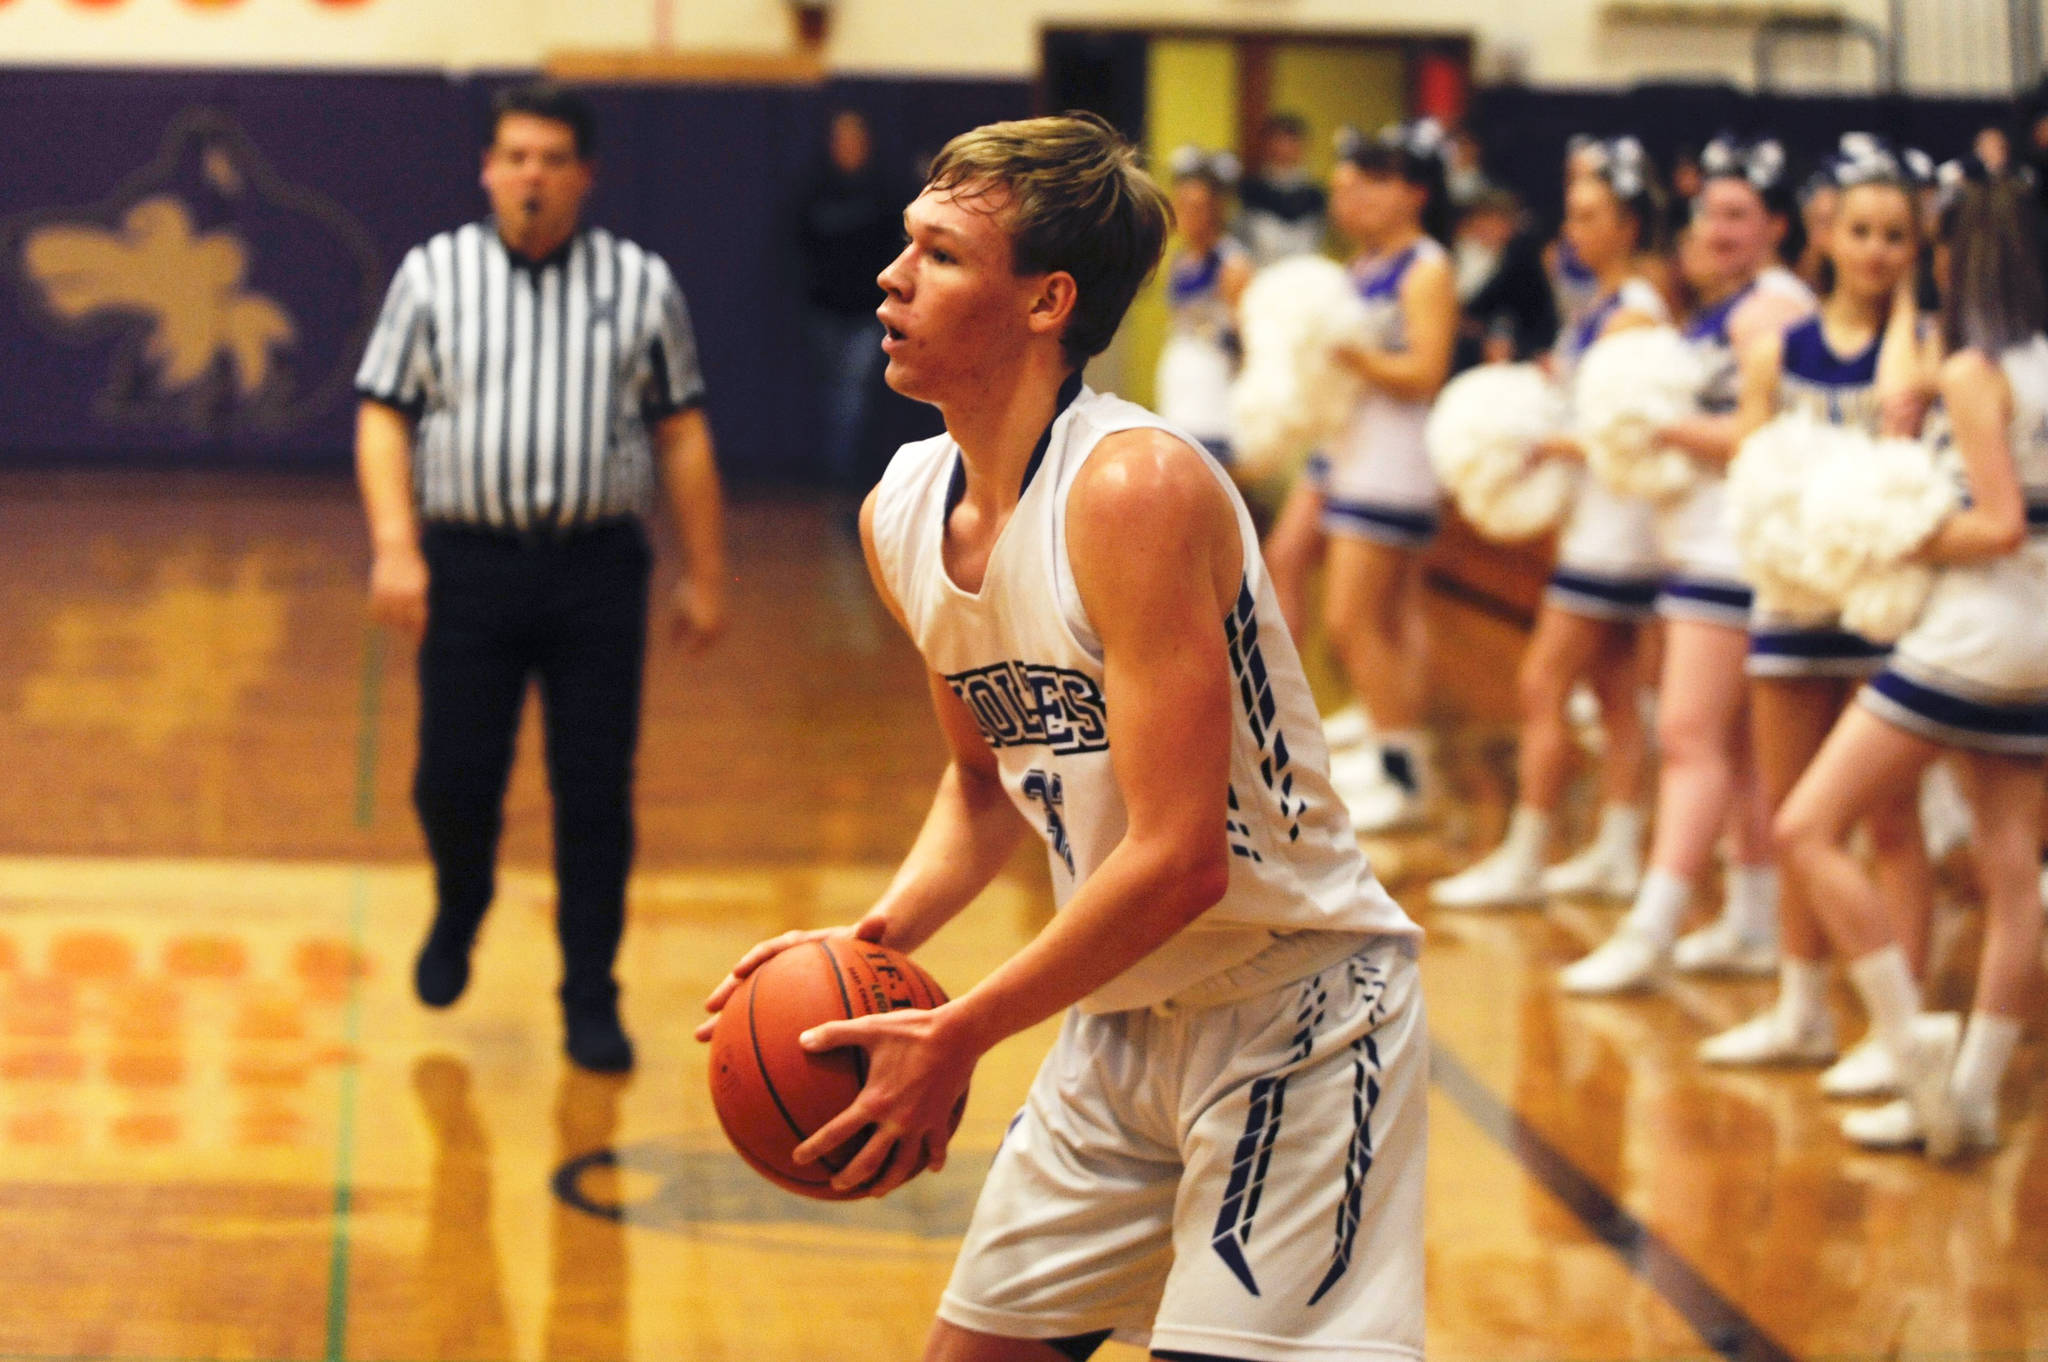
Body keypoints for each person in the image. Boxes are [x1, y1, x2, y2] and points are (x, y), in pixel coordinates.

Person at [696, 112, 1427, 1362]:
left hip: (1296, 1009)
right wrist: (866, 948)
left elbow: (1182, 858)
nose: (891, 275)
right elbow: (984, 782)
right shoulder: (904, 506)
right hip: (1118, 1013)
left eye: (938, 255)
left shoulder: (1133, 489)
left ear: (1046, 302)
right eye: (903, 246)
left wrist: (957, 1031)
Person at [354, 81, 729, 1073]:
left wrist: (705, 572)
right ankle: (462, 894)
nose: (531, 174)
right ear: (486, 167)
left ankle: (589, 996)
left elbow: (681, 431)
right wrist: (394, 543)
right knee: (451, 780)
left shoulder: (639, 283)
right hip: (467, 567)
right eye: (514, 155)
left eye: (551, 158)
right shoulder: (433, 276)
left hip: (594, 570)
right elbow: (383, 412)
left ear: (584, 176)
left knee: (595, 792)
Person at [1775, 166, 2048, 1157]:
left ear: (1955, 255)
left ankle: (1909, 1046)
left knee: (1803, 826)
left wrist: (1899, 535)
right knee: (2010, 873)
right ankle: (1971, 1097)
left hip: (1970, 632)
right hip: (2037, 635)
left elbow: (1997, 521)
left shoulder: (1977, 372)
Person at [1698, 140, 1936, 1094]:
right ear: (1827, 233)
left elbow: (1906, 414)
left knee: (1890, 821)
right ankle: (1799, 1006)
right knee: (1791, 810)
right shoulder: (1774, 350)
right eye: (1862, 231)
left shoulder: (1917, 348)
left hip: (1883, 604)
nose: (1876, 251)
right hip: (1794, 598)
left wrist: (1916, 301)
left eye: (1897, 238)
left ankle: (1898, 1023)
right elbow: (1749, 472)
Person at [1560, 134, 1815, 994]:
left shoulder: (1770, 309)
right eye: (1709, 210)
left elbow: (1758, 432)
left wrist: (1657, 428)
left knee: (1687, 735)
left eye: (1740, 214)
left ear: (1778, 224)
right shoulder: (1728, 304)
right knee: (1737, 751)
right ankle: (1752, 919)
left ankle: (1654, 925)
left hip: (1733, 552)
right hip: (1705, 547)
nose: (1717, 227)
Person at [1431, 135, 1666, 909]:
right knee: (1615, 691)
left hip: (1614, 528)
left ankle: (1528, 852)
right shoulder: (1599, 308)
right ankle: (1620, 849)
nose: (1575, 233)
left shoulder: (1635, 318)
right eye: (1573, 216)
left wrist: (1540, 440)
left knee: (1542, 682)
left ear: (1630, 224)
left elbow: (1627, 434)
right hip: (1600, 520)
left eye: (1592, 217)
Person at [1264, 120, 1459, 834]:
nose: (1351, 201)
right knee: (1389, 618)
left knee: (1351, 620)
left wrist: (1349, 357)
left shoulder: (1426, 267)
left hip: (1395, 460)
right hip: (1357, 450)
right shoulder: (1362, 266)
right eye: (1343, 188)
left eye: (1368, 185)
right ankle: (1397, 752)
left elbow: (1425, 371)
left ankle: (1402, 771)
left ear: (1412, 191)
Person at [796, 108, 904, 489]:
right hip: (824, 309)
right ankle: (833, 469)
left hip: (866, 312)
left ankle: (843, 474)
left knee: (851, 393)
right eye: (841, 140)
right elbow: (796, 245)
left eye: (855, 139)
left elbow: (898, 249)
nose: (848, 148)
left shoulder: (883, 193)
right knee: (831, 392)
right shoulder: (815, 190)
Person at [1155, 146, 1251, 466]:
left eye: (1196, 207)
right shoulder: (1180, 260)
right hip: (1181, 390)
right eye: (1180, 204)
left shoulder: (1232, 265)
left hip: (1215, 399)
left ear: (1217, 209)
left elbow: (1246, 345)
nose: (1185, 215)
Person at [1237, 112, 1328, 266]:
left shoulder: (1316, 195)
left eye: (1291, 142)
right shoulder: (1248, 191)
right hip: (1261, 276)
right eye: (1278, 141)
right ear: (1266, 145)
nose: (1284, 148)